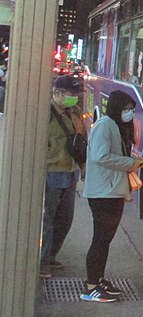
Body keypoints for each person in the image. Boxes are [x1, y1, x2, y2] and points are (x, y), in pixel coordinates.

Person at [80, 90, 143, 302]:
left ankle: (98, 279)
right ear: (117, 107)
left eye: (131, 110)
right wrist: (130, 163)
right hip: (103, 193)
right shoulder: (105, 125)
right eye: (126, 109)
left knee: (104, 239)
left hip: (111, 191)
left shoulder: (115, 126)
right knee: (100, 239)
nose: (129, 113)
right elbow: (101, 156)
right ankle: (91, 287)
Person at [40, 75, 87, 278]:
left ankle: (51, 255)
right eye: (71, 94)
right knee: (47, 220)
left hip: (70, 172)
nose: (75, 97)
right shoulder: (46, 113)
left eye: (76, 94)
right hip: (52, 172)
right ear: (57, 93)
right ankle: (42, 262)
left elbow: (80, 140)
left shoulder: (74, 112)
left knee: (65, 219)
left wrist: (83, 166)